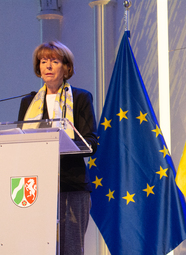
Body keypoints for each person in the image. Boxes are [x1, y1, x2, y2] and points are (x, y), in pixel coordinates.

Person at [17, 41, 98, 255]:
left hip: (72, 184)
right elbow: (20, 141)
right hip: (37, 186)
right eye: (44, 61)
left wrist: (65, 145)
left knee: (71, 248)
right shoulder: (28, 102)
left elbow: (91, 141)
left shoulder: (81, 98)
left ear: (66, 67)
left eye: (54, 61)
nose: (48, 66)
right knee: (39, 247)